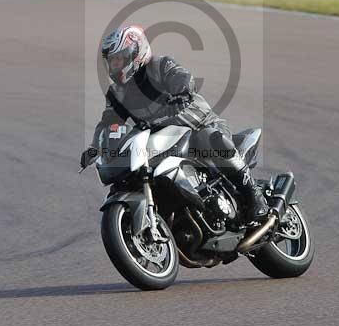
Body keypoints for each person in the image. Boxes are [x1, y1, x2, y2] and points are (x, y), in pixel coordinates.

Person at [80, 25, 268, 221]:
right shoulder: (117, 93)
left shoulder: (161, 65)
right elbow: (109, 123)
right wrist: (97, 146)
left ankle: (254, 196)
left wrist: (180, 94)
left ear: (135, 54)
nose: (115, 66)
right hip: (163, 139)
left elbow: (184, 79)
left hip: (198, 125)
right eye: (111, 62)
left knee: (208, 137)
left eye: (119, 60)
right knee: (131, 173)